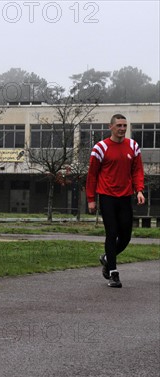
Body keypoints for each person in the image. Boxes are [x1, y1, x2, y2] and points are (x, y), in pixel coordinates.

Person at [86, 114, 145, 288]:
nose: (122, 129)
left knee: (125, 236)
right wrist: (91, 199)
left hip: (125, 196)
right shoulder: (100, 148)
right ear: (110, 127)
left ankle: (106, 258)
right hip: (106, 196)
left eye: (125, 126)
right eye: (119, 125)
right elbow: (92, 175)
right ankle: (113, 272)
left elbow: (137, 171)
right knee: (112, 233)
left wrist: (139, 190)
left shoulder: (133, 146)